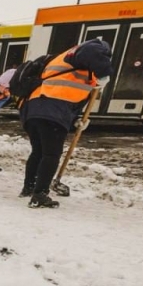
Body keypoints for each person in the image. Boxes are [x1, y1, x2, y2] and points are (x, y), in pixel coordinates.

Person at [21, 39, 112, 208]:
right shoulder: (87, 50)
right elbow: (92, 51)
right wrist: (104, 73)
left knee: (39, 152)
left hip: (34, 108)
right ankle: (39, 195)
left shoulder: (69, 62)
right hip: (51, 109)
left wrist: (77, 120)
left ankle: (29, 187)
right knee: (51, 154)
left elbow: (70, 96)